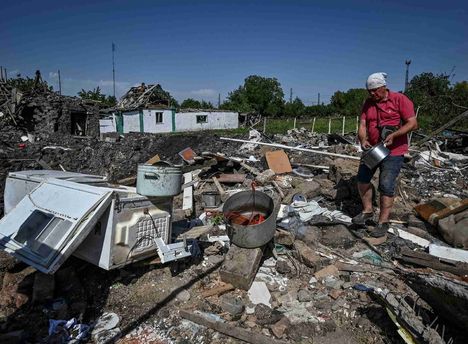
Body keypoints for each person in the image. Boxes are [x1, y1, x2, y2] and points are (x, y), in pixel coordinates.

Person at [353, 72, 418, 237]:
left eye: (375, 90)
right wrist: (363, 139)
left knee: (386, 184)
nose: (372, 94)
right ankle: (367, 210)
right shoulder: (368, 103)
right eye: (369, 91)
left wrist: (395, 135)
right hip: (373, 149)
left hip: (394, 151)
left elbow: (413, 123)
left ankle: (383, 222)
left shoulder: (399, 99)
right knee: (362, 179)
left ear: (384, 87)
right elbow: (362, 124)